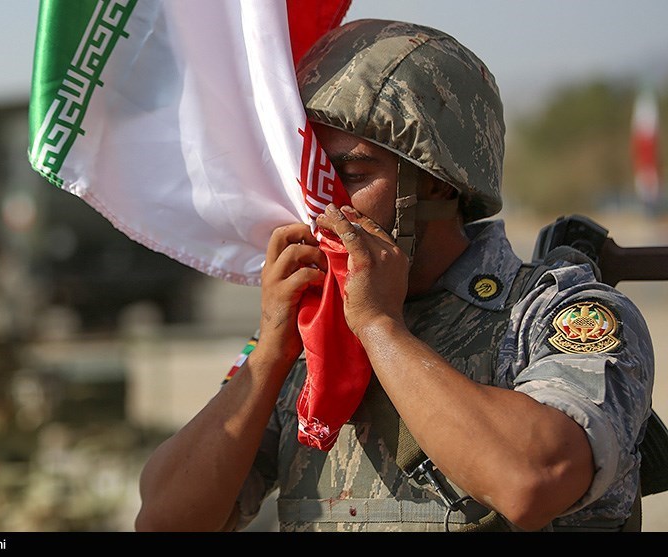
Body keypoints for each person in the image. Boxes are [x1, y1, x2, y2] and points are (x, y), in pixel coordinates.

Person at [134, 19, 655, 532]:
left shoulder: (553, 314)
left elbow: (534, 479)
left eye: (352, 175)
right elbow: (165, 520)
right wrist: (271, 353)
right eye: (311, 177)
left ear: (438, 185)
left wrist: (380, 328)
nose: (323, 204)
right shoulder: (313, 337)